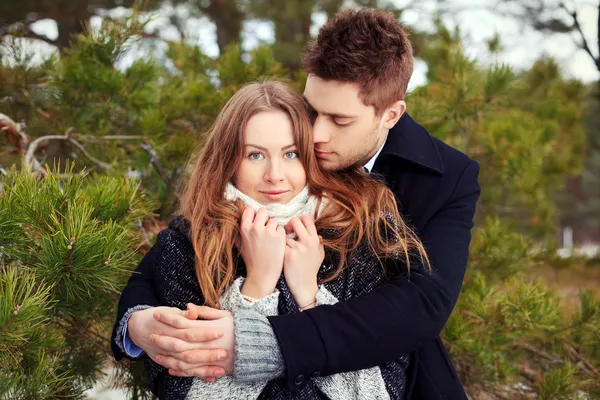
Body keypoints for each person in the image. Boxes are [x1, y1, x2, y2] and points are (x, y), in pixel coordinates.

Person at [111, 8, 481, 400]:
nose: (315, 135)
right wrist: (136, 324)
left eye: (338, 120)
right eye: (311, 110)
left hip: (393, 370)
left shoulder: (443, 179)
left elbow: (421, 306)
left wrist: (262, 341)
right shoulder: (285, 143)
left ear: (390, 114)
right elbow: (168, 260)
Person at [117, 80, 429, 399]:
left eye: (291, 153)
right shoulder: (188, 243)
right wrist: (257, 289)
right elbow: (181, 389)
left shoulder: (358, 229)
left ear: (310, 154)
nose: (275, 174)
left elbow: (382, 391)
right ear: (228, 160)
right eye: (255, 155)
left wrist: (310, 294)